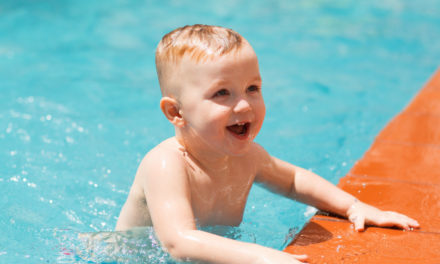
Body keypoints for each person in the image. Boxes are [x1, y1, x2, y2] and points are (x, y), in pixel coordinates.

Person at [115, 24, 419, 264]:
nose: (245, 105)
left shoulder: (248, 157)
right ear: (176, 112)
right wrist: (259, 255)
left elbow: (293, 180)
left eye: (252, 88)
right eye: (222, 93)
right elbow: (178, 242)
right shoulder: (166, 164)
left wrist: (354, 206)